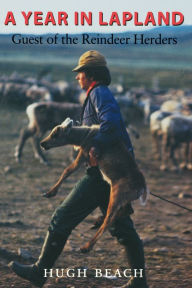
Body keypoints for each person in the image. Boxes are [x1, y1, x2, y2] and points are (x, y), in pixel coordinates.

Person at [9, 50, 148, 288]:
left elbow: (111, 123)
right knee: (122, 228)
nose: (77, 77)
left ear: (90, 74)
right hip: (110, 172)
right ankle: (139, 281)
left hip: (102, 173)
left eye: (80, 72)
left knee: (61, 219)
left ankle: (40, 273)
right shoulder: (97, 93)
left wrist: (96, 146)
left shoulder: (99, 93)